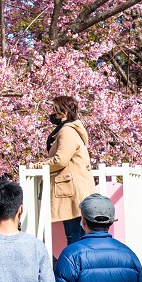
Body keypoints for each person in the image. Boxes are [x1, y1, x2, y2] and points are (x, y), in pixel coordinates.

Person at [41, 95, 94, 246]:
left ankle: (76, 269)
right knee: (79, 236)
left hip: (71, 192)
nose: (52, 114)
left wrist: (40, 165)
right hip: (75, 190)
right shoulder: (70, 130)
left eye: (55, 110)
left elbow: (60, 160)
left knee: (74, 238)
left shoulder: (67, 131)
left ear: (63, 111)